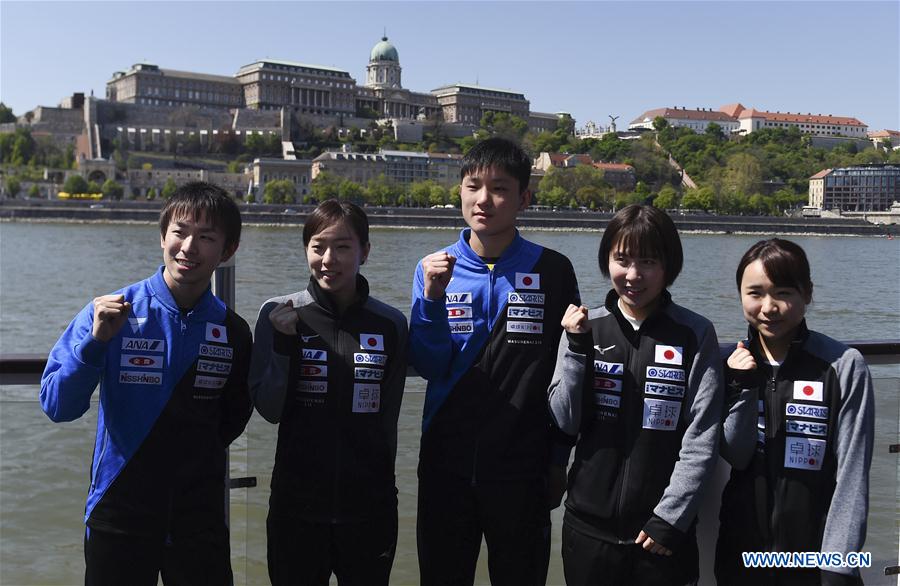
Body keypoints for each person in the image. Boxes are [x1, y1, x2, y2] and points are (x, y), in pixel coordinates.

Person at [40, 182, 251, 585]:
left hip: (198, 520)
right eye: (180, 232)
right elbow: (57, 405)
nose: (189, 247)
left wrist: (187, 460)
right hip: (118, 511)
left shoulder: (233, 331)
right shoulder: (112, 311)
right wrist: (96, 342)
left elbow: (234, 415)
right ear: (162, 237)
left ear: (227, 251)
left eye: (206, 237)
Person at [410, 137, 580, 585]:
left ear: (524, 197)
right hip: (446, 459)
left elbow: (569, 374)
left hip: (523, 465)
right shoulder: (434, 268)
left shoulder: (554, 271)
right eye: (473, 186)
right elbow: (429, 364)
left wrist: (558, 459)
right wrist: (430, 299)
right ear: (460, 192)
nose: (484, 199)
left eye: (500, 188)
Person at [547, 204, 723, 586]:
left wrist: (670, 518)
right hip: (587, 526)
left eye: (647, 262)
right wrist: (576, 349)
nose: (633, 275)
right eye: (621, 260)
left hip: (659, 533)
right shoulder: (585, 326)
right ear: (606, 259)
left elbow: (702, 436)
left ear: (668, 267)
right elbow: (564, 420)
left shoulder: (695, 333)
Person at [249, 200, 408, 586]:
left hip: (369, 509)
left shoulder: (390, 323)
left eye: (342, 247)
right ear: (306, 250)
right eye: (318, 246)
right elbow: (269, 409)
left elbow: (388, 419)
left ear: (365, 251)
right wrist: (286, 346)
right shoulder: (278, 314)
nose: (328, 259)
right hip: (296, 508)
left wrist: (381, 488)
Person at [715, 238, 874, 586]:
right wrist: (743, 386)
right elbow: (737, 455)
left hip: (816, 558)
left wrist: (840, 563)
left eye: (784, 293)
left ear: (807, 293)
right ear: (739, 295)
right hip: (741, 553)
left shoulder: (843, 367)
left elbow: (852, 473)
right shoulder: (726, 363)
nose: (769, 307)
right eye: (755, 293)